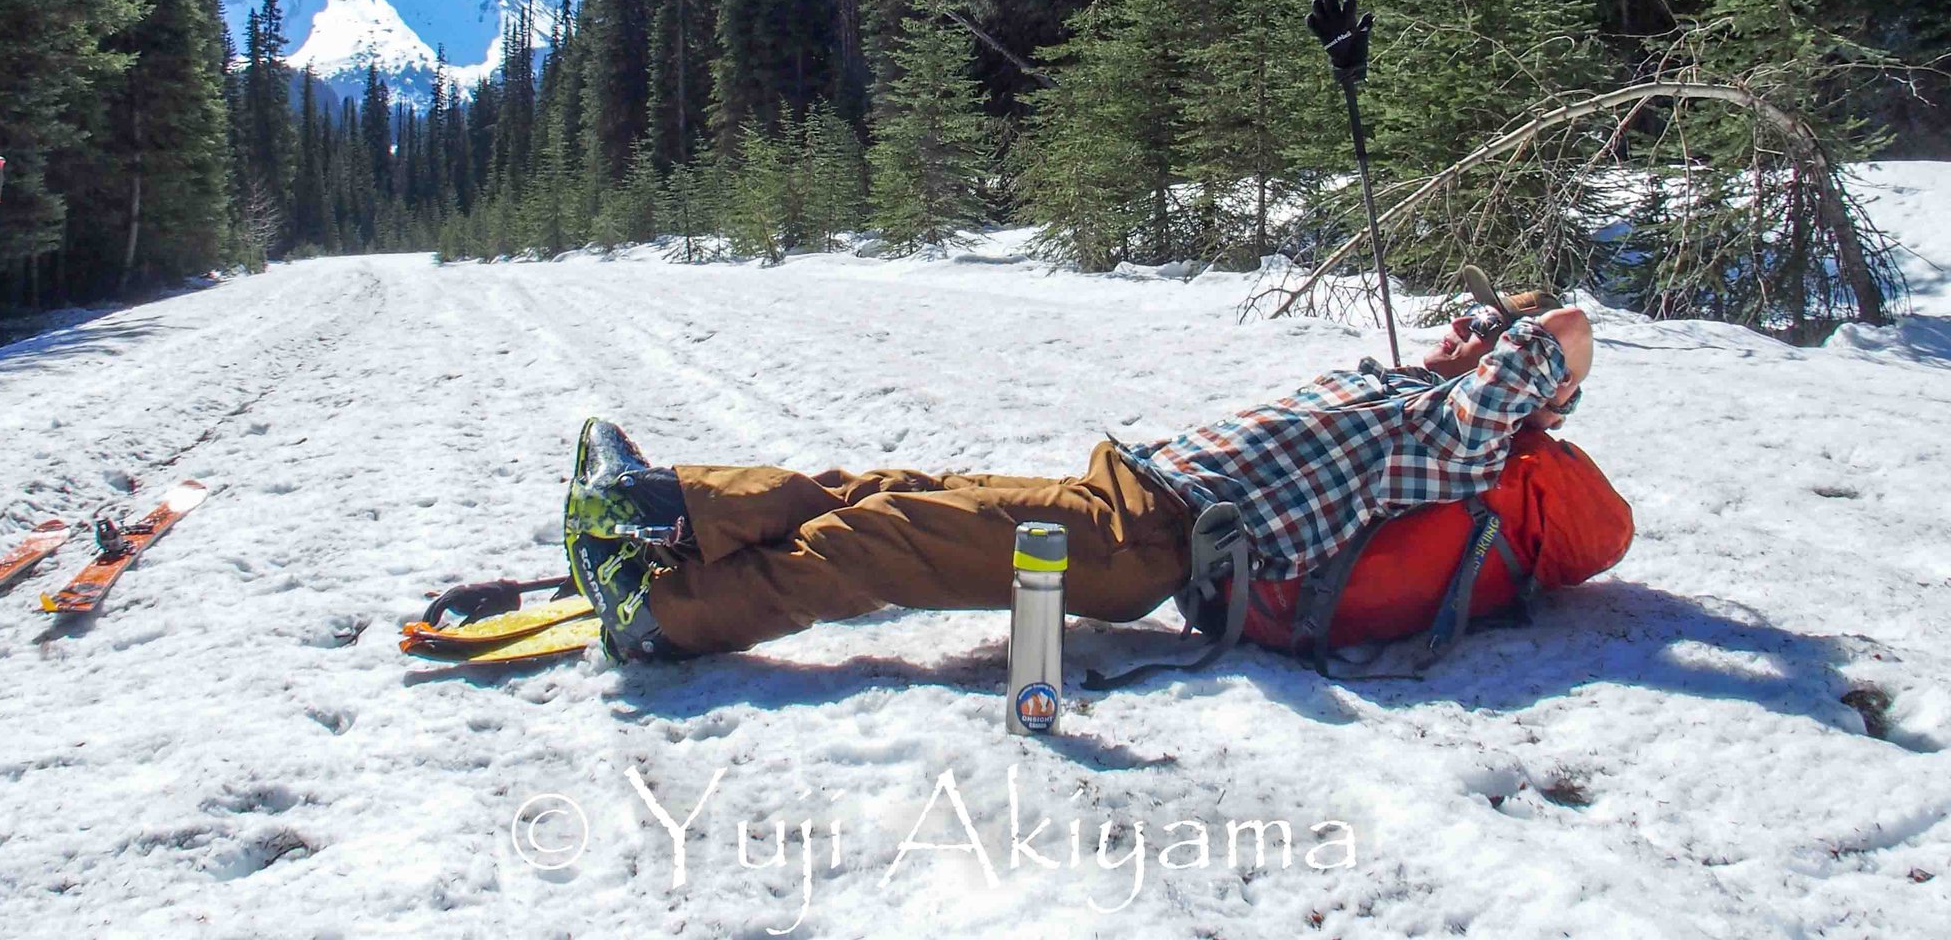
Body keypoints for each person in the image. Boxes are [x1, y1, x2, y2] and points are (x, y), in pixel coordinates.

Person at [565, 292, 1595, 663]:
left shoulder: (1444, 443)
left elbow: (1562, 335)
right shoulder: (1401, 393)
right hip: (1120, 499)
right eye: (1469, 315)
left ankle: (667, 617)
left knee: (888, 543)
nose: (1464, 329)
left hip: (1136, 546)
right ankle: (669, 508)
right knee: (885, 488)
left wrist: (1529, 338)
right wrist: (1463, 341)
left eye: (1485, 327)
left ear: (1522, 389)